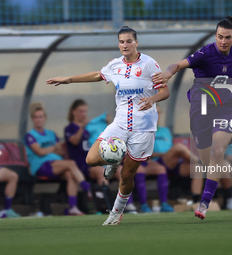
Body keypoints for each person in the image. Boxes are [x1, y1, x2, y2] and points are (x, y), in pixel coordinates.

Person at [152, 13, 232, 219]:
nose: (222, 41)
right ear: (215, 36)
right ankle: (214, 191)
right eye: (219, 37)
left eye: (227, 37)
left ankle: (204, 204)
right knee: (208, 161)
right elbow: (178, 65)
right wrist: (167, 73)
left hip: (226, 106)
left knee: (218, 151)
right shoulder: (205, 53)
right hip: (201, 108)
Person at [46, 26, 170, 225]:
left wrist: (153, 99)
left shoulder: (149, 64)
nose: (125, 45)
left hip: (143, 127)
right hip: (120, 123)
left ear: (136, 43)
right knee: (91, 159)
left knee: (127, 175)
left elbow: (165, 91)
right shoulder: (115, 65)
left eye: (129, 41)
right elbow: (98, 75)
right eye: (121, 41)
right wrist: (68, 79)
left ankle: (116, 212)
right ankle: (113, 160)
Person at [25, 102, 91, 216]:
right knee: (71, 163)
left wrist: (51, 149)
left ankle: (73, 207)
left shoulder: (51, 134)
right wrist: (52, 148)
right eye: (36, 117)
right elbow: (39, 152)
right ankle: (86, 188)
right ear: (32, 119)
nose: (38, 119)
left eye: (40, 117)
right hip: (41, 165)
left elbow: (60, 151)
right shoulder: (30, 135)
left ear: (44, 118)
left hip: (56, 163)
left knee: (70, 175)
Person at [152, 105, 203, 204]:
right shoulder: (144, 131)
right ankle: (201, 161)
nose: (157, 115)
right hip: (157, 162)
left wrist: (173, 153)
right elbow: (144, 154)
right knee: (179, 147)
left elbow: (171, 147)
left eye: (158, 112)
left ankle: (196, 201)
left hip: (173, 162)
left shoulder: (165, 131)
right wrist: (166, 154)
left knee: (198, 168)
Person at [64, 99, 109, 185]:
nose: (84, 114)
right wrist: (82, 127)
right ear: (73, 112)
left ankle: (125, 198)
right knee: (101, 172)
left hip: (95, 161)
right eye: (81, 111)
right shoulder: (69, 128)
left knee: (120, 170)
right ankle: (104, 198)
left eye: (85, 111)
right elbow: (75, 141)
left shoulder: (90, 128)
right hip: (81, 165)